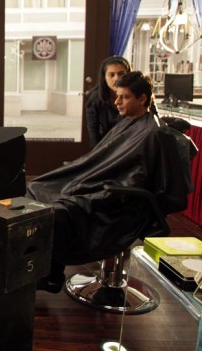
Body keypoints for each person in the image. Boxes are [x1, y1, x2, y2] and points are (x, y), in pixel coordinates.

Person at [28, 71, 198, 292]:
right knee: (37, 188)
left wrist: (92, 187)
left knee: (59, 211)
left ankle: (52, 276)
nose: (117, 102)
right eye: (117, 96)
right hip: (108, 186)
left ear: (142, 99)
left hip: (122, 201)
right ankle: (45, 272)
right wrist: (83, 177)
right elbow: (102, 161)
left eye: (124, 97)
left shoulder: (153, 134)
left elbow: (136, 179)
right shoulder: (128, 123)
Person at [85, 55, 132, 147]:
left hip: (132, 144)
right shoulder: (95, 98)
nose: (116, 78)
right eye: (111, 75)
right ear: (104, 77)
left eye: (121, 74)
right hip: (105, 146)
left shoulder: (138, 95)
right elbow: (93, 132)